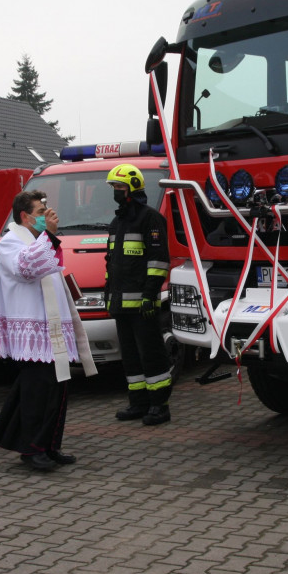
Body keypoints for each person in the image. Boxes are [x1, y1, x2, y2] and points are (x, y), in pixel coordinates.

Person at [0, 190, 97, 471]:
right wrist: (49, 235)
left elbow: (51, 267)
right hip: (33, 333)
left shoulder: (37, 240)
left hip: (52, 330)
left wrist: (47, 237)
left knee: (57, 390)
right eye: (39, 213)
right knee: (38, 393)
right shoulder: (11, 241)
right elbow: (27, 268)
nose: (46, 217)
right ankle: (32, 449)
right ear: (24, 216)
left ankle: (49, 445)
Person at [104, 164, 173, 425]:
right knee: (130, 356)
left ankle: (160, 405)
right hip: (120, 304)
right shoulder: (116, 222)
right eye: (114, 188)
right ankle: (138, 403)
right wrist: (108, 293)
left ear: (133, 188)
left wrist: (149, 295)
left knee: (151, 353)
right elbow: (113, 263)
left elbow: (158, 261)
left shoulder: (150, 218)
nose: (116, 192)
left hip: (143, 305)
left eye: (119, 188)